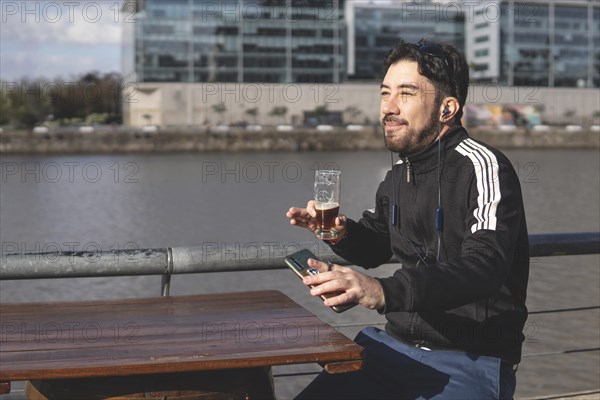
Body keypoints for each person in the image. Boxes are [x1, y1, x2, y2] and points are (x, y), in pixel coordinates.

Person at [286, 38, 529, 399]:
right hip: (392, 349)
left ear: (447, 108)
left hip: (471, 360)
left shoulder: (485, 167)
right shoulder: (398, 175)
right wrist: (340, 235)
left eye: (407, 93)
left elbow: (486, 264)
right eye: (385, 93)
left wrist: (382, 290)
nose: (389, 107)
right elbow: (376, 243)